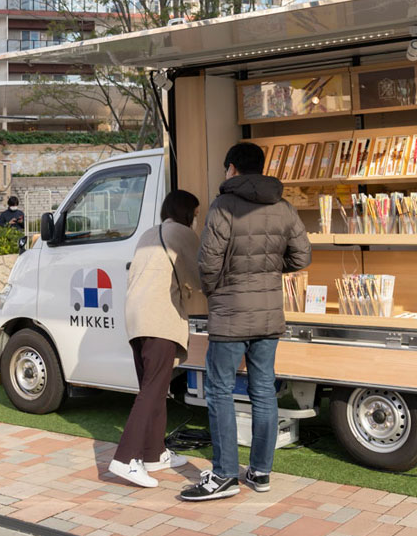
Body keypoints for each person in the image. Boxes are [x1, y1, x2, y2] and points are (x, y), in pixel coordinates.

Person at [181, 143, 310, 501]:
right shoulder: (283, 207)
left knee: (220, 390)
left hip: (229, 313)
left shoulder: (224, 206)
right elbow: (302, 256)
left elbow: (208, 262)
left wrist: (216, 292)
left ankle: (223, 475)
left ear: (233, 168)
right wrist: (268, 272)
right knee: (264, 391)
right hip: (269, 313)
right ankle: (260, 472)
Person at [109, 190, 203, 488]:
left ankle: (155, 453)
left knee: (154, 389)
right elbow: (198, 278)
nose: (198, 219)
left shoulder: (149, 233)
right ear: (189, 212)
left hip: (136, 320)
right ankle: (125, 459)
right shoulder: (183, 233)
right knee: (151, 391)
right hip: (160, 320)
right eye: (196, 213)